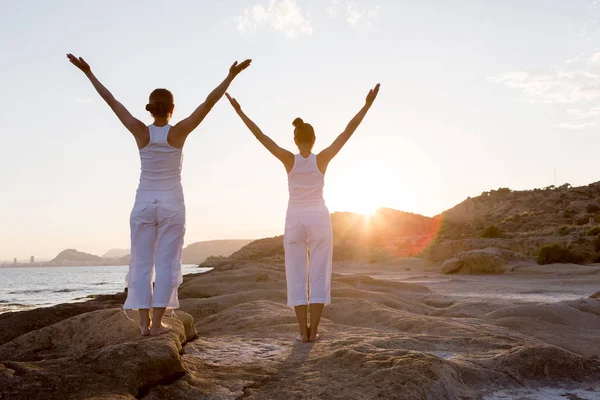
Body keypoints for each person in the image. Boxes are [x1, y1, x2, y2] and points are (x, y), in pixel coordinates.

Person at [67, 53, 251, 336]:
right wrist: (231, 76)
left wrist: (89, 72)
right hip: (171, 205)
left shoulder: (140, 131)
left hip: (143, 203)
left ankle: (142, 325)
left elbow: (112, 102)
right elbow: (208, 104)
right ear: (172, 109)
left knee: (142, 262)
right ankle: (157, 323)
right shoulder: (178, 133)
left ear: (151, 109)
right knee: (166, 264)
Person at [225, 83, 380, 342]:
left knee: (296, 272)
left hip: (295, 217)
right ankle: (314, 332)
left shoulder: (289, 159)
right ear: (314, 139)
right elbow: (347, 132)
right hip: (318, 216)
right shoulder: (322, 159)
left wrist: (240, 111)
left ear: (296, 140)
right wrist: (367, 105)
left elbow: (261, 137)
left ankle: (301, 333)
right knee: (319, 271)